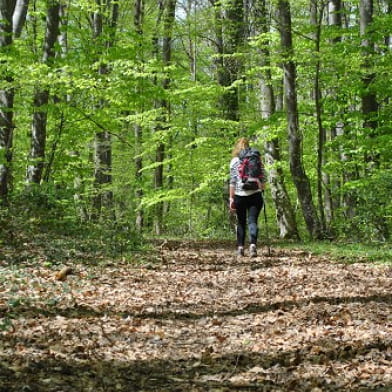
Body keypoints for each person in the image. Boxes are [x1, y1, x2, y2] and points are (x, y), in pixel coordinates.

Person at [229, 137, 266, 257]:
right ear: (248, 145)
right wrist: (261, 188)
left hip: (239, 196)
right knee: (252, 221)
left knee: (241, 222)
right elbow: (263, 179)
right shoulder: (257, 159)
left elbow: (232, 181)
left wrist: (231, 198)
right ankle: (253, 246)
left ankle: (240, 248)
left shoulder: (234, 161)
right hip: (255, 194)